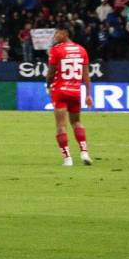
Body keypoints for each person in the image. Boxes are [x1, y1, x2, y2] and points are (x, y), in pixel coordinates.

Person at [45, 27, 93, 166]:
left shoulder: (56, 50)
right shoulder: (82, 50)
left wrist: (48, 85)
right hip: (75, 92)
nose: (55, 36)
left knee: (61, 125)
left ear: (65, 33)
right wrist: (88, 94)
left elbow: (51, 72)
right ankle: (84, 153)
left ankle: (68, 159)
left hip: (59, 91)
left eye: (57, 33)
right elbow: (86, 75)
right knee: (76, 122)